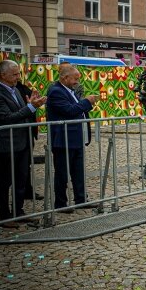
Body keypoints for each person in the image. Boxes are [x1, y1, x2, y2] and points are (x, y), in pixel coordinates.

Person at [0, 61, 47, 225]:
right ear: (1, 75)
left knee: (21, 179)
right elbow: (7, 118)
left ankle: (18, 212)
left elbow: (21, 113)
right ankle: (4, 216)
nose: (18, 77)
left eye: (18, 73)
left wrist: (31, 105)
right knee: (4, 182)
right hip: (6, 144)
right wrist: (30, 107)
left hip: (22, 143)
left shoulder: (16, 91)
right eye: (14, 74)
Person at [46, 64, 99, 212]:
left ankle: (81, 199)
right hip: (63, 140)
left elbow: (77, 110)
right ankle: (61, 204)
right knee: (62, 173)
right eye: (75, 78)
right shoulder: (56, 91)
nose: (77, 81)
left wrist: (87, 103)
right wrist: (87, 101)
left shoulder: (71, 90)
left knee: (78, 171)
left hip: (76, 138)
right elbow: (69, 111)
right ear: (64, 77)